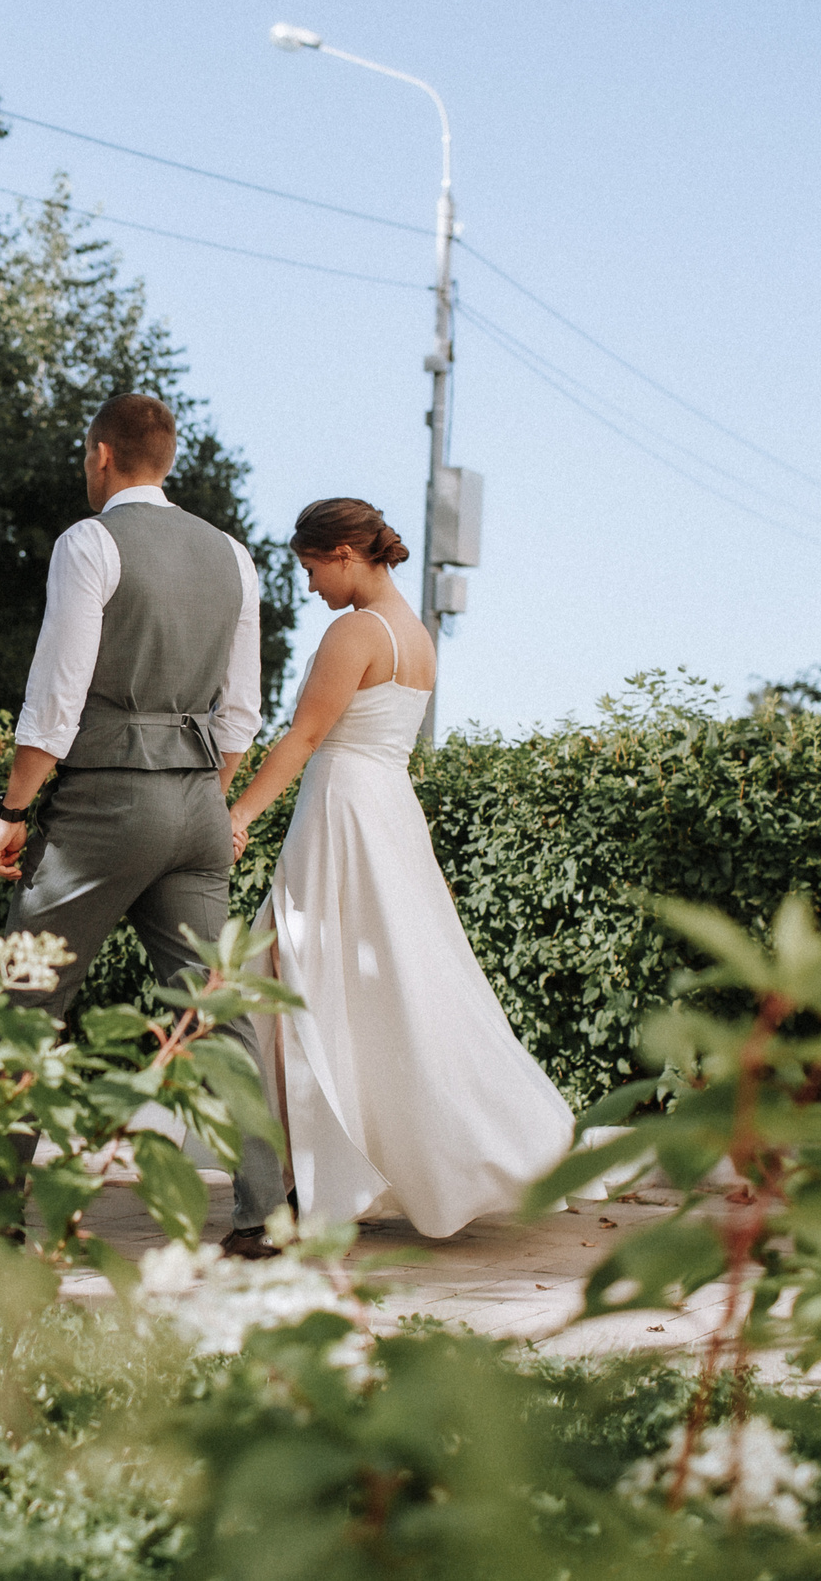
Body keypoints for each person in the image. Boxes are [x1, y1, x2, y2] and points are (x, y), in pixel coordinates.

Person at [227, 497, 583, 1240]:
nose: (312, 585)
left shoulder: (354, 630)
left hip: (343, 814)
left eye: (314, 566)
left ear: (349, 551)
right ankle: (314, 1174)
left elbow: (305, 737)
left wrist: (239, 814)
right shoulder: (417, 638)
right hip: (386, 811)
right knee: (372, 990)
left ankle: (303, 1187)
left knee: (302, 986)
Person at [0, 392, 288, 1259]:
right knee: (216, 1011)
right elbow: (242, 712)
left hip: (105, 804)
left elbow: (56, 697)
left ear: (101, 456)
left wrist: (13, 813)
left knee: (24, 998)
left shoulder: (90, 543)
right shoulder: (234, 556)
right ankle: (267, 1212)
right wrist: (205, 792)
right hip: (196, 802)